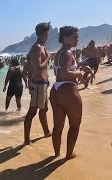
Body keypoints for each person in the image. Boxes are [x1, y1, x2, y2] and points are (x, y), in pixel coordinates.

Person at [50, 26, 83, 160]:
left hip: (56, 90)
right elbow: (65, 72)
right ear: (65, 38)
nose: (77, 39)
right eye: (75, 37)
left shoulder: (59, 53)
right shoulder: (68, 53)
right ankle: (69, 155)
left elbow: (58, 72)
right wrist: (79, 73)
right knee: (74, 126)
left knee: (58, 126)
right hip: (68, 91)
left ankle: (57, 154)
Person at [24, 22, 51, 145]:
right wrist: (48, 58)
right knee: (33, 111)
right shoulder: (36, 48)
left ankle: (46, 132)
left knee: (44, 109)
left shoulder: (41, 46)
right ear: (44, 33)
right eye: (48, 31)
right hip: (38, 84)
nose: (49, 34)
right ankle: (26, 139)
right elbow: (38, 67)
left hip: (43, 83)